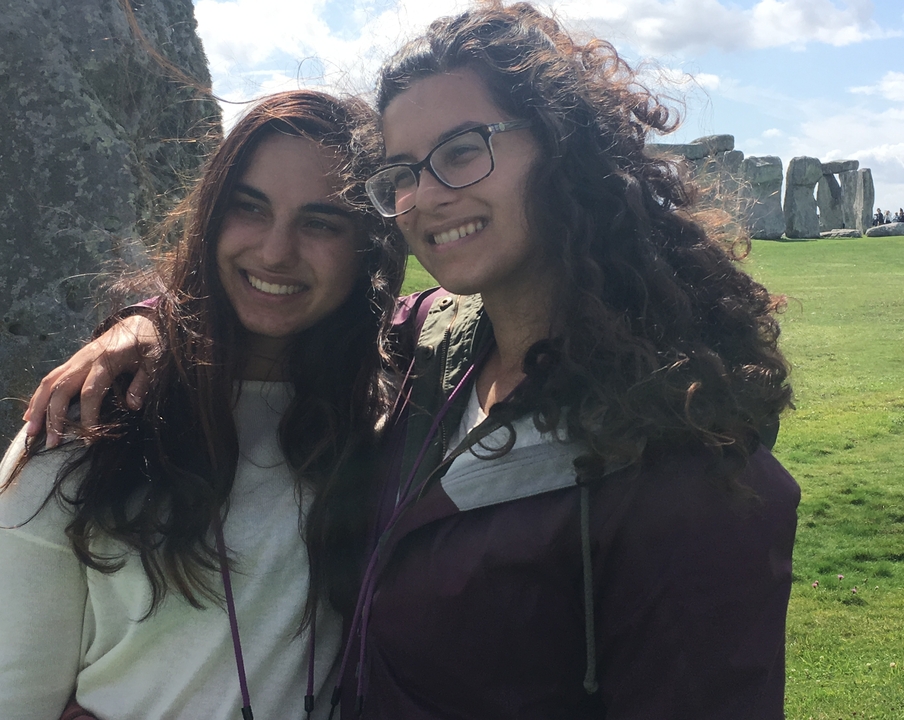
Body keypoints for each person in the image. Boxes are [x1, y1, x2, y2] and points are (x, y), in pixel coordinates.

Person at [25, 3, 800, 718]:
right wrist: (148, 325)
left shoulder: (690, 465)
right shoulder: (435, 345)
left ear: (566, 147)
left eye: (462, 151)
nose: (426, 197)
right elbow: (286, 299)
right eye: (400, 173)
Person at [0, 90, 403, 719]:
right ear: (211, 215)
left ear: (369, 249)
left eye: (321, 222)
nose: (275, 252)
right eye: (250, 207)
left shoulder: (388, 415)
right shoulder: (86, 426)